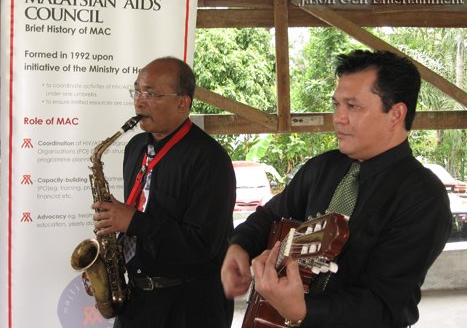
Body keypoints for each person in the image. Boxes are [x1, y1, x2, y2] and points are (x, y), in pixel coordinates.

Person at [221, 50, 452, 328]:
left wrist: (303, 311)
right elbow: (270, 217)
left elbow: (384, 307)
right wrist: (240, 246)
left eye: (353, 106)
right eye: (337, 105)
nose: (338, 118)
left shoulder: (422, 197)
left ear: (395, 113)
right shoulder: (322, 168)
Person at [93, 56, 236, 328]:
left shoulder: (210, 159)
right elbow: (146, 216)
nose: (139, 101)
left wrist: (133, 221)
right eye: (137, 91)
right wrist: (108, 264)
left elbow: (204, 246)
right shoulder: (134, 147)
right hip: (136, 303)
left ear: (183, 102)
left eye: (152, 94)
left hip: (187, 308)